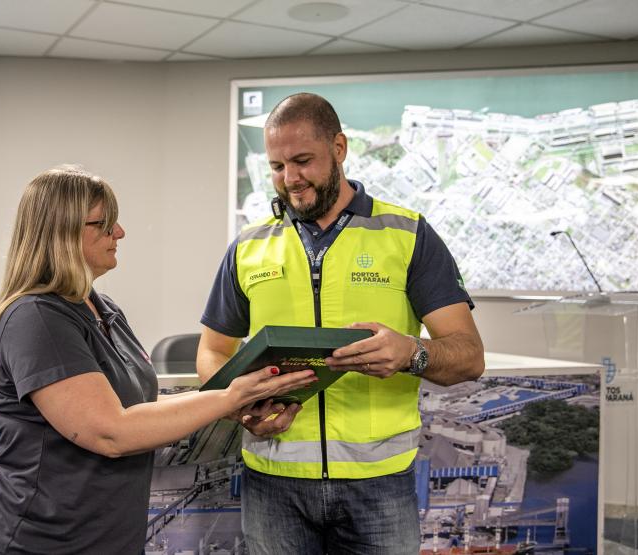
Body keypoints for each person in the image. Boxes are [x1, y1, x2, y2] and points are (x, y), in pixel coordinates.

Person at [0, 166, 317, 555]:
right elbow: (110, 432)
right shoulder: (36, 318)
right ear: (61, 231)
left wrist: (230, 404)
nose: (119, 233)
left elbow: (139, 408)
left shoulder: (102, 309)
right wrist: (228, 397)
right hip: (39, 545)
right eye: (105, 224)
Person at [197, 93, 485, 554]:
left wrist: (412, 352)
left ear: (339, 148)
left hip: (379, 485)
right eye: (276, 167)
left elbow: (469, 356)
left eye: (303, 160)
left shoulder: (409, 235)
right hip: (273, 482)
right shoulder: (248, 247)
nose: (290, 179)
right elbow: (213, 350)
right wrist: (237, 407)